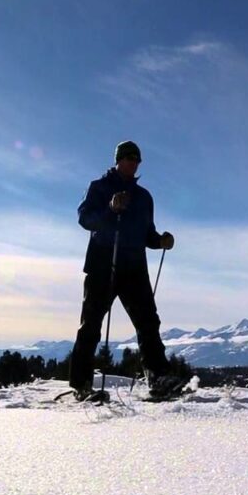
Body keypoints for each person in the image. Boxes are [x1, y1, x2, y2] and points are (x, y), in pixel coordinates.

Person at [69, 140, 183, 401]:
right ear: (117, 160)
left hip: (134, 267)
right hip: (102, 265)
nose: (133, 162)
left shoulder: (144, 197)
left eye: (136, 159)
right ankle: (81, 384)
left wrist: (160, 241)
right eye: (128, 157)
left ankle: (159, 377)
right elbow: (85, 219)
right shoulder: (99, 188)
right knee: (91, 325)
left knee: (148, 323)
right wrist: (110, 209)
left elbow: (147, 234)